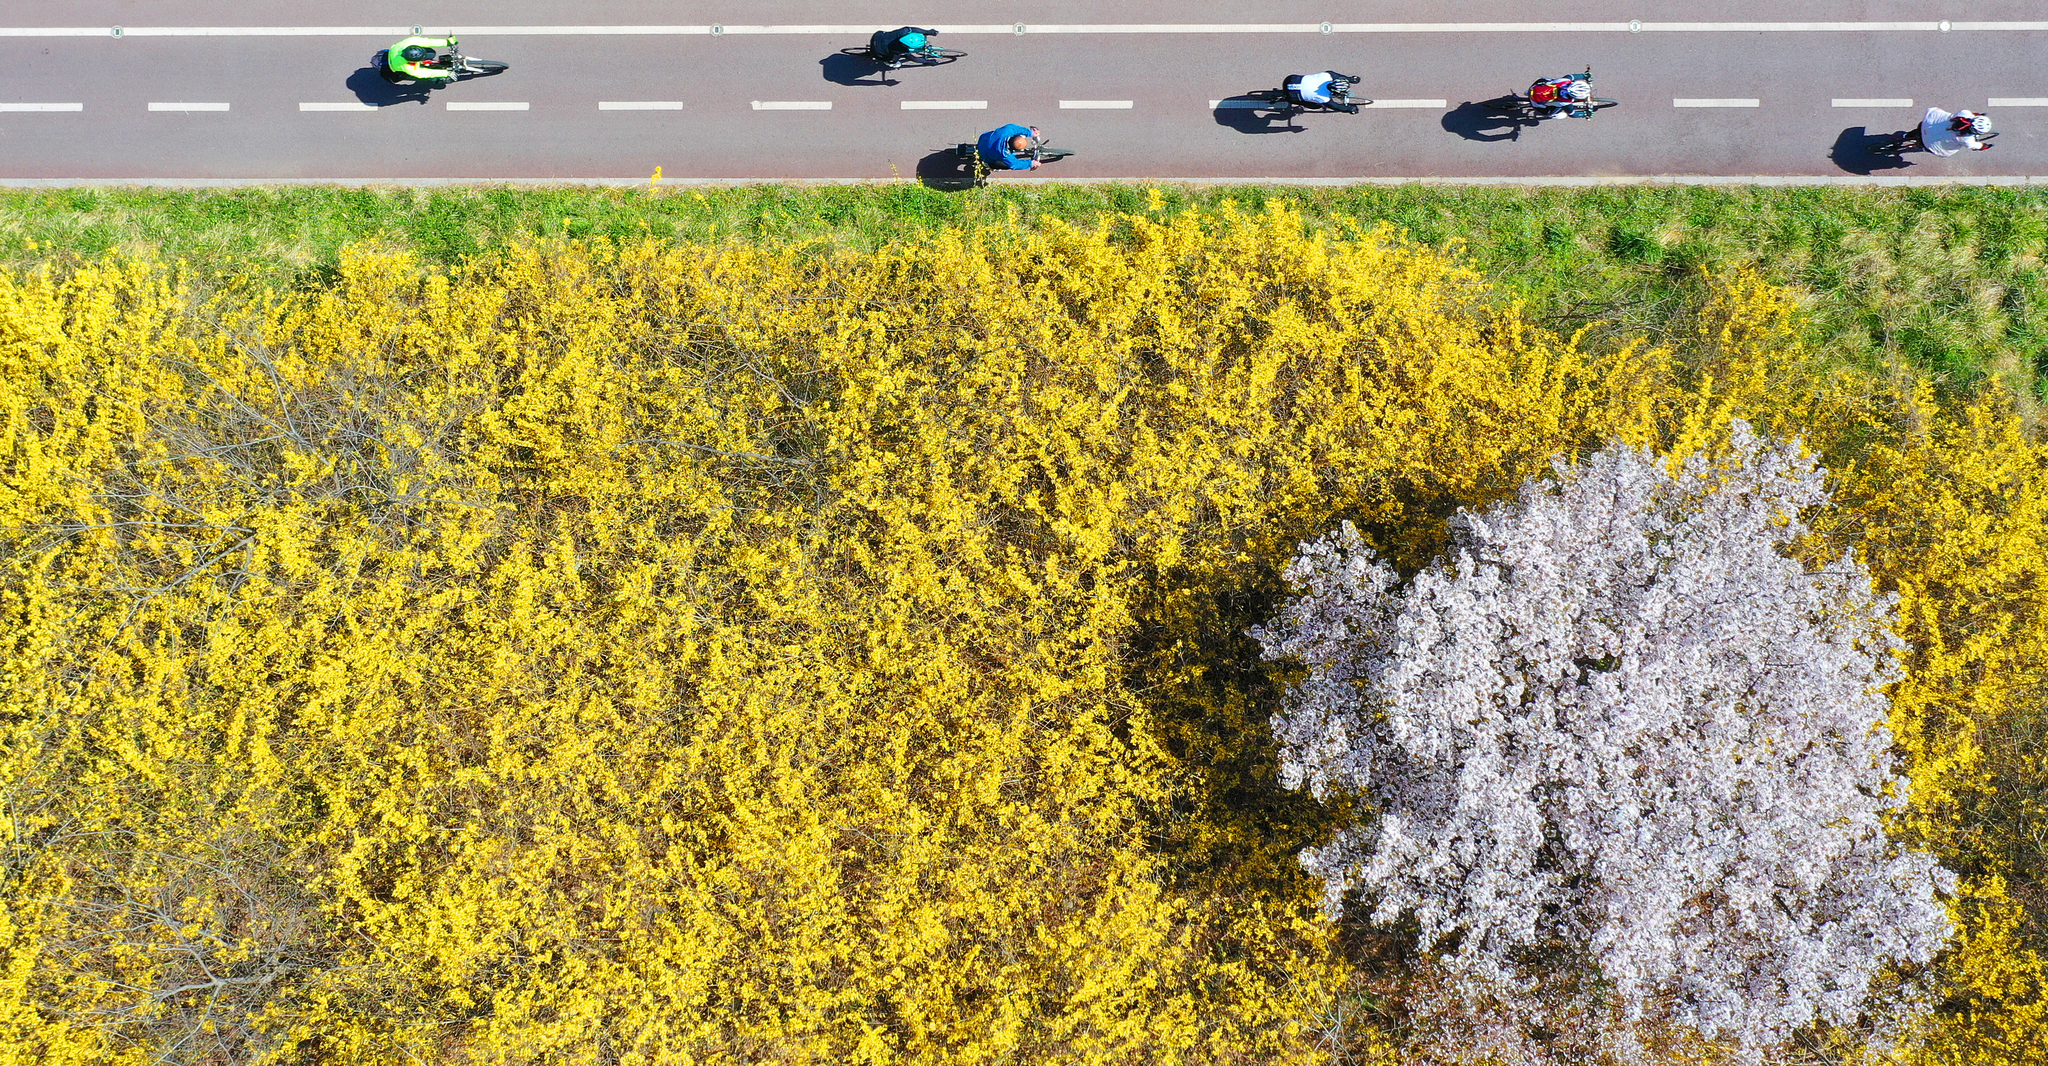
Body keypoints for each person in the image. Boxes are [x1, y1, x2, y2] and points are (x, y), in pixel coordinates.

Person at [1912, 107, 1994, 155]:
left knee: (1919, 130)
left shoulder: (1964, 113)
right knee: (1935, 148)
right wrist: (1983, 146)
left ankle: (1905, 135)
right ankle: (1922, 148)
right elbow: (1977, 146)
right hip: (1929, 144)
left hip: (1926, 124)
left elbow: (1973, 114)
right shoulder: (1967, 139)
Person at [385, 34, 459, 83]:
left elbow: (429, 42)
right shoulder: (407, 67)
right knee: (431, 77)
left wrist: (447, 42)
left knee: (431, 53)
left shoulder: (411, 41)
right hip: (393, 66)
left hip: (393, 52)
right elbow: (425, 73)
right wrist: (445, 73)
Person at [1284, 70, 1363, 113]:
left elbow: (1338, 76)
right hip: (1292, 96)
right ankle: (1297, 102)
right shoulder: (1324, 98)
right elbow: (1336, 107)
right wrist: (1349, 109)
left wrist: (1350, 79)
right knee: (1317, 106)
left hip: (1290, 79)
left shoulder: (1327, 76)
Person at [976, 124, 1041, 171]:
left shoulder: (1007, 130)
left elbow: (1017, 129)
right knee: (1007, 166)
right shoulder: (1005, 155)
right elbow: (1015, 165)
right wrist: (1031, 163)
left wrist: (1030, 132)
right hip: (984, 156)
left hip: (983, 138)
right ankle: (988, 165)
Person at [1527, 73, 1592, 115]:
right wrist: (1585, 114)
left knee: (1550, 81)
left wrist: (1584, 76)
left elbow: (1571, 76)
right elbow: (1572, 114)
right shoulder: (1566, 103)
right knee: (1555, 114)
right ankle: (1554, 115)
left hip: (1534, 87)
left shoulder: (1565, 80)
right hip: (1535, 102)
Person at [870, 27, 939, 65]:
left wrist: (928, 32)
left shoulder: (904, 31)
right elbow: (914, 59)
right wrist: (928, 62)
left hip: (877, 37)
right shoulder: (900, 50)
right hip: (877, 51)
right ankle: (886, 62)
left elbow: (914, 30)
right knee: (892, 61)